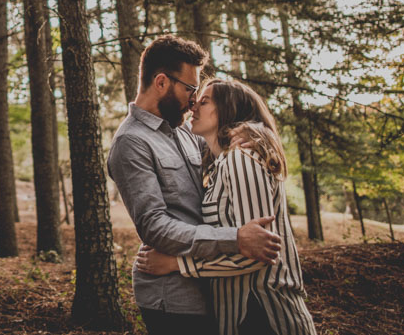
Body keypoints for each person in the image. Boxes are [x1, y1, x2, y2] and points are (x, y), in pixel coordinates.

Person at [106, 35, 281, 335]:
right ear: (161, 82)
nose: (194, 99)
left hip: (210, 284)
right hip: (173, 296)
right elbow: (155, 227)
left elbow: (224, 140)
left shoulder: (183, 130)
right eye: (189, 88)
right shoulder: (131, 143)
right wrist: (235, 238)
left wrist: (249, 135)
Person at [135, 79, 316, 335]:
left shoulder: (240, 160)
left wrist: (178, 264)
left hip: (264, 315)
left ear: (229, 110)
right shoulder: (220, 164)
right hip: (239, 317)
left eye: (205, 101)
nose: (194, 105)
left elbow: (259, 253)